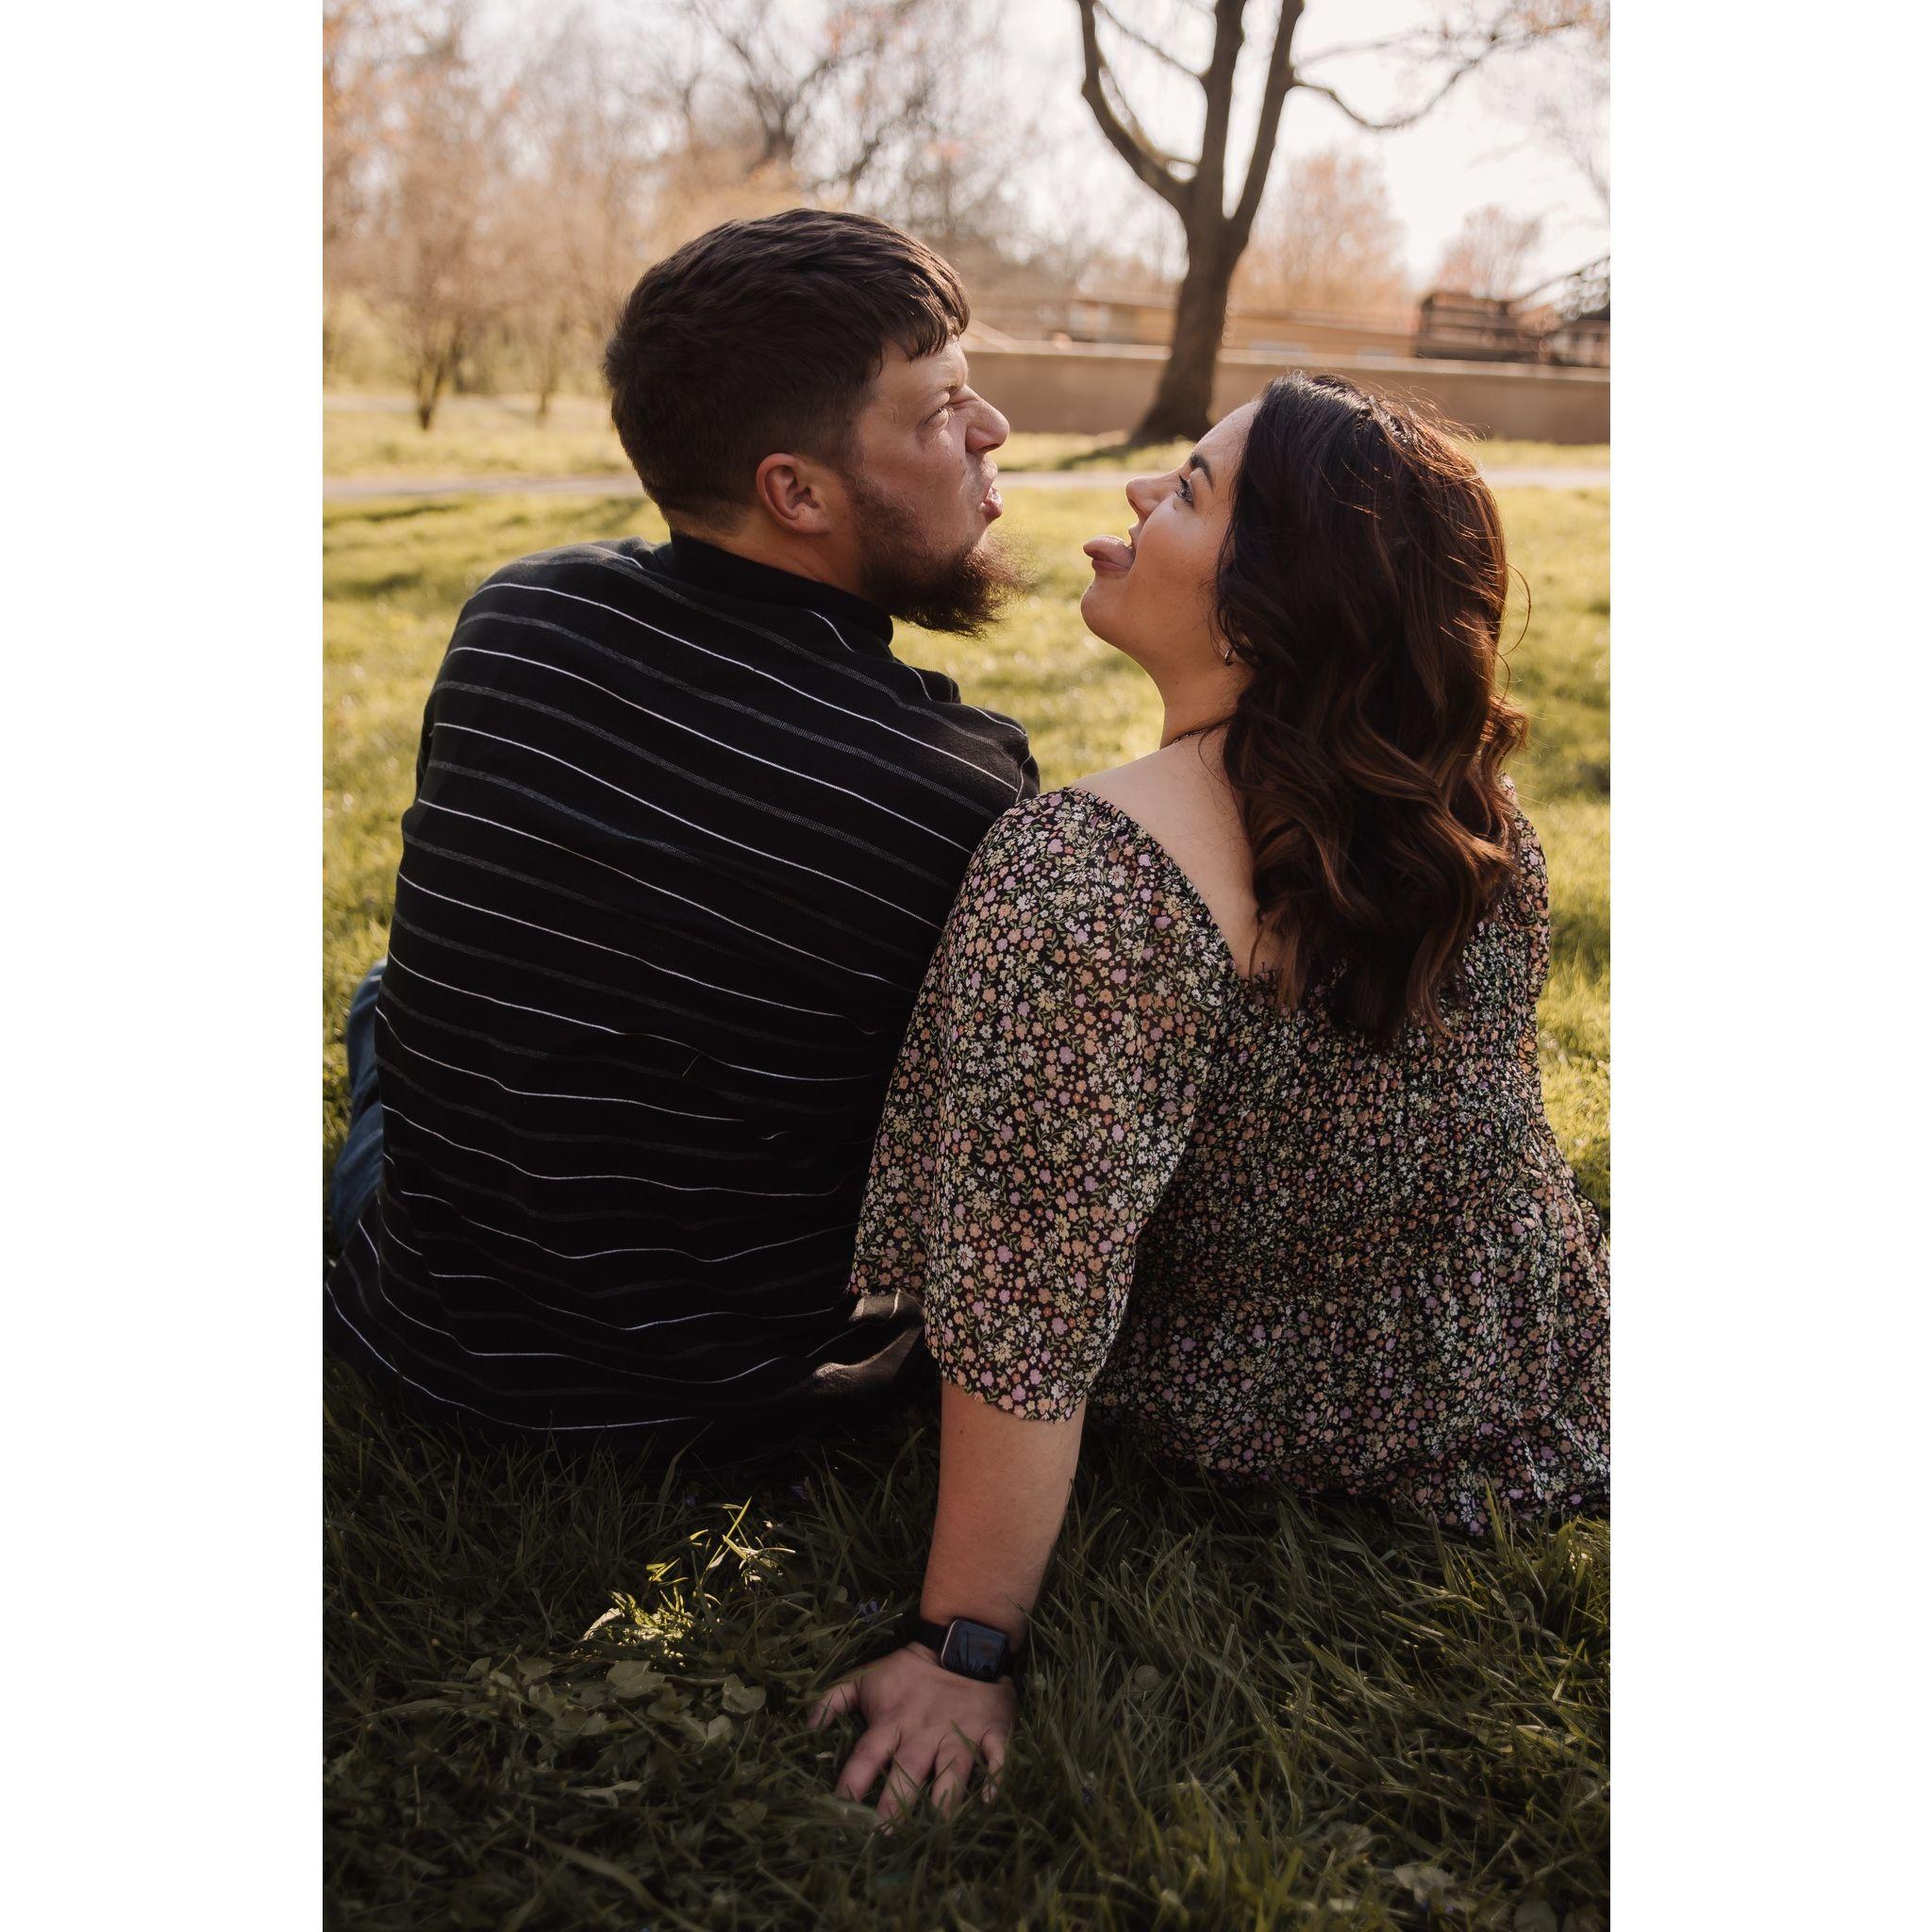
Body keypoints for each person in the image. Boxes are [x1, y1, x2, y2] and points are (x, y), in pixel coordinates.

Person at [807, 373, 1610, 1824]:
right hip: (1510, 1347)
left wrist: (963, 1644)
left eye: (1186, 491)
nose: (1135, 495)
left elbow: (1029, 1299)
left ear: (1264, 610)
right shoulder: (1474, 819)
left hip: (1265, 1402)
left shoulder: (1089, 872)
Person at [325, 209, 1036, 1461]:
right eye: (940, 409)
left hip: (414, 1327)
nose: (993, 430)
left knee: (389, 995)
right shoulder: (952, 788)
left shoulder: (514, 617)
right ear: (794, 491)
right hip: (713, 1398)